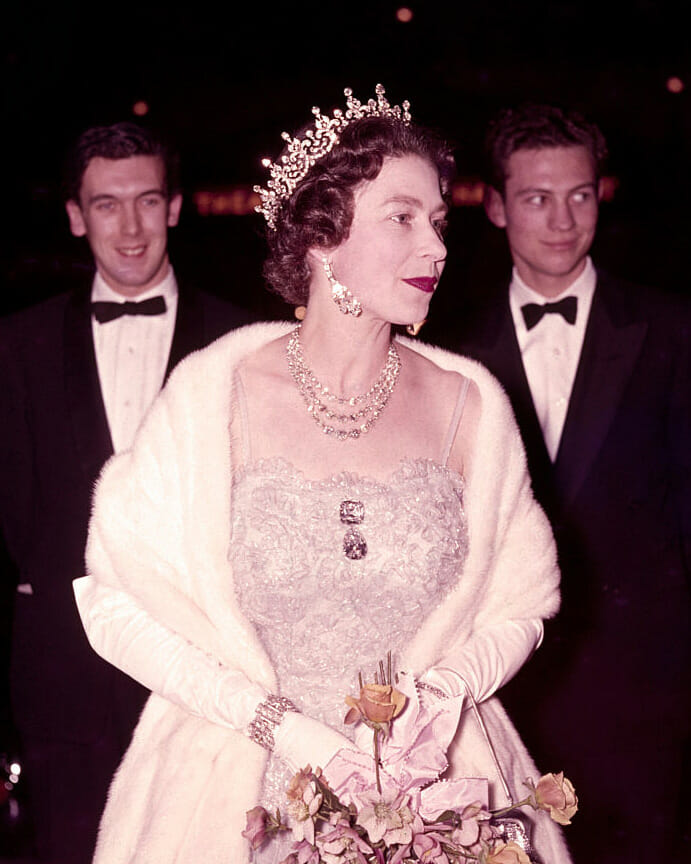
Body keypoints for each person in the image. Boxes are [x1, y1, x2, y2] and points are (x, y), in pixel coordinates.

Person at [73, 86, 572, 863]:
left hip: (434, 790)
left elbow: (522, 601)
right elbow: (116, 606)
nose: (436, 248)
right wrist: (282, 728)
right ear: (320, 236)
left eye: (438, 223)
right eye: (402, 219)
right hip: (227, 790)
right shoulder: (213, 394)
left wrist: (442, 698)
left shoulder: (468, 403)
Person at [0, 121, 251, 862]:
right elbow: (12, 521)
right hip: (66, 679)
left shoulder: (245, 341)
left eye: (147, 201)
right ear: (76, 217)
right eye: (107, 205)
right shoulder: (17, 346)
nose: (131, 228)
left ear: (175, 206)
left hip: (208, 674)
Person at [455, 103, 691, 862]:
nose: (562, 220)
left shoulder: (672, 330)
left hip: (644, 688)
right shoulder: (449, 353)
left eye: (579, 195)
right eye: (535, 198)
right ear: (494, 207)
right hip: (500, 692)